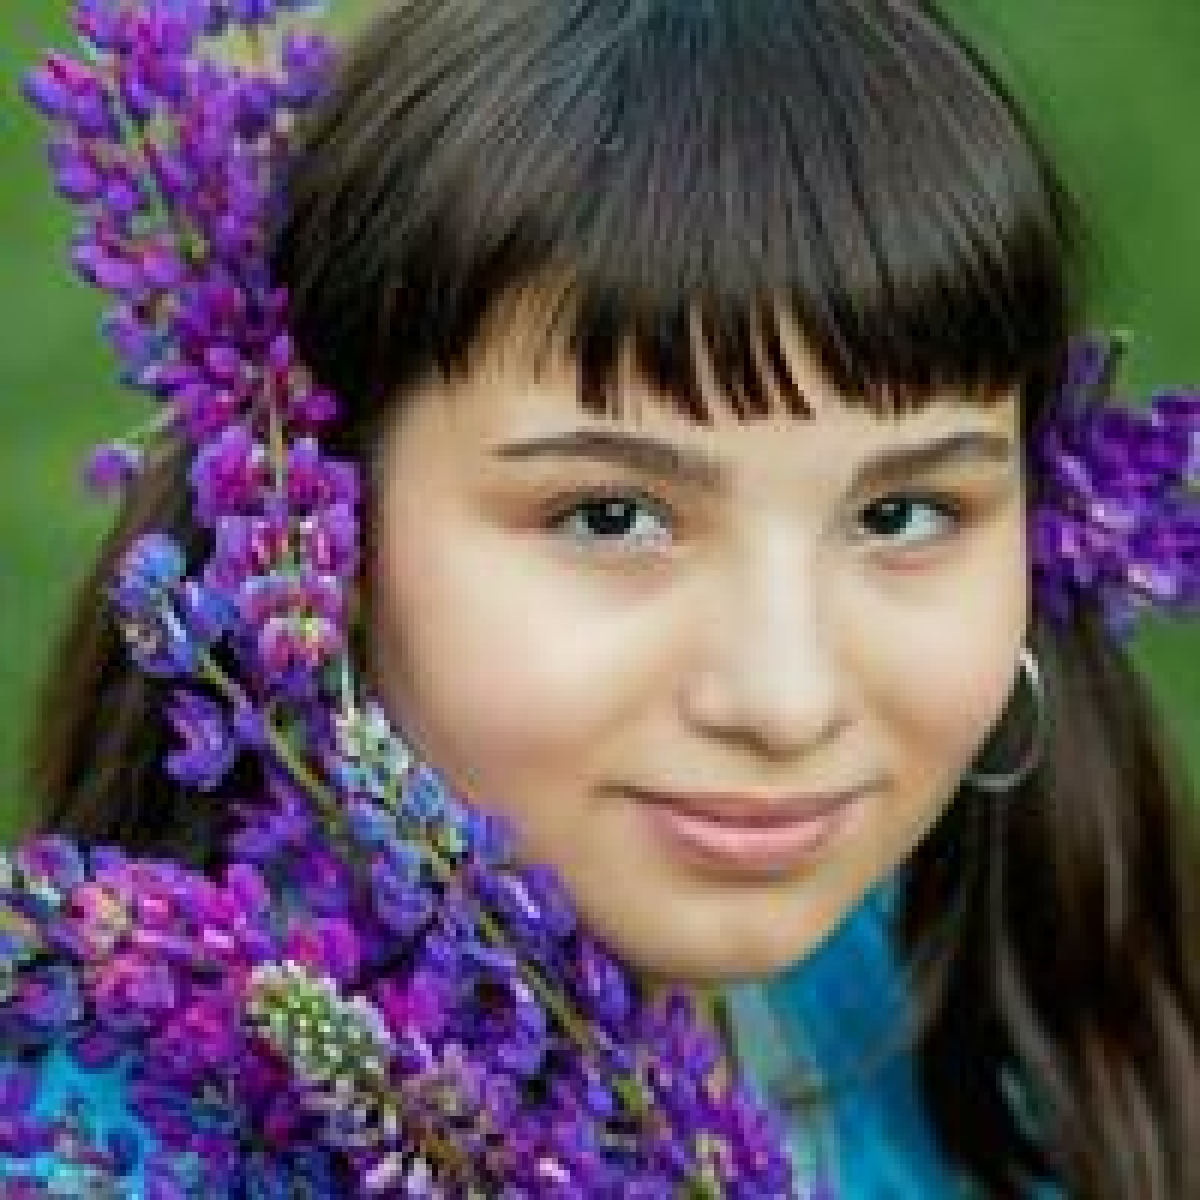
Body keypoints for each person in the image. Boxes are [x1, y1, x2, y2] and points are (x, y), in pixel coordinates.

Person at [10, 0, 1199, 1196]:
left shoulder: (972, 993)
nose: (785, 703)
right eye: (611, 516)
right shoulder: (142, 1155)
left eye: (903, 514)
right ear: (322, 537)